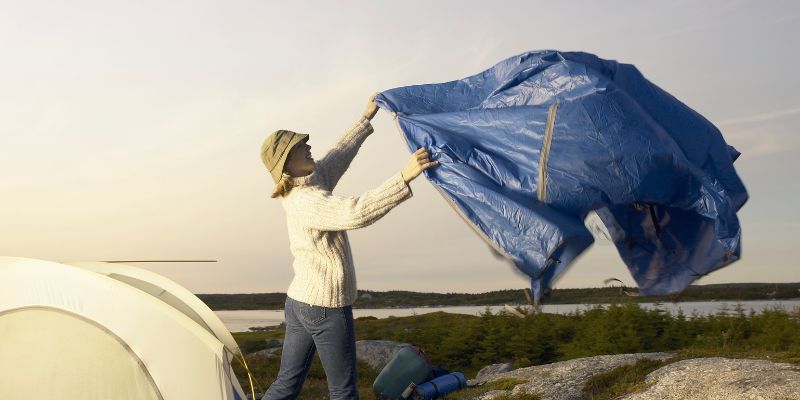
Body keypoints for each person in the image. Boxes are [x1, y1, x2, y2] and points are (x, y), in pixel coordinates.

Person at [259, 94, 438, 400]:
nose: (308, 146)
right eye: (301, 145)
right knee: (343, 391)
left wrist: (365, 118)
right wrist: (404, 177)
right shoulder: (307, 200)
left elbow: (339, 154)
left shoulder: (308, 183)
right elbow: (356, 212)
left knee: (286, 384)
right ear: (287, 162)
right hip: (325, 306)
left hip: (299, 301)